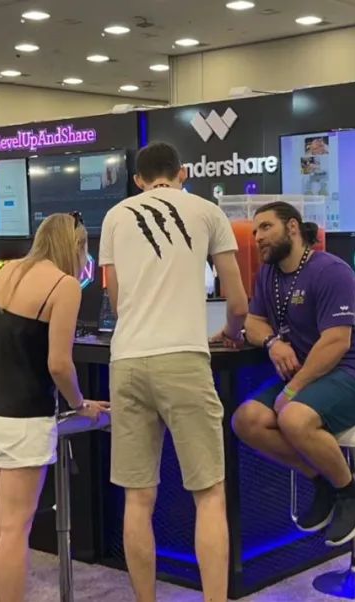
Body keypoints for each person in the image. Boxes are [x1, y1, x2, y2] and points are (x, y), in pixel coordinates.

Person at [99, 142, 248, 602]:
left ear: (137, 179)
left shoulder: (115, 216)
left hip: (127, 360)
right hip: (183, 359)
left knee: (137, 497)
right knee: (209, 494)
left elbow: (115, 299)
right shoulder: (207, 212)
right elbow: (238, 302)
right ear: (183, 173)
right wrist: (231, 332)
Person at [0, 213, 109, 602]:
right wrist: (80, 404)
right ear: (76, 246)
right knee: (14, 528)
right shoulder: (64, 286)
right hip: (23, 417)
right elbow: (59, 364)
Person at [226, 201, 355, 547]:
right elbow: (254, 322)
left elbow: (336, 342)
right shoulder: (268, 274)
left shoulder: (331, 271)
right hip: (311, 378)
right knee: (246, 420)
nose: (257, 237)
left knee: (293, 418)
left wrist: (292, 390)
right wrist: (272, 343)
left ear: (293, 227)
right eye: (254, 231)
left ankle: (352, 492)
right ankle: (324, 481)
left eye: (266, 227)